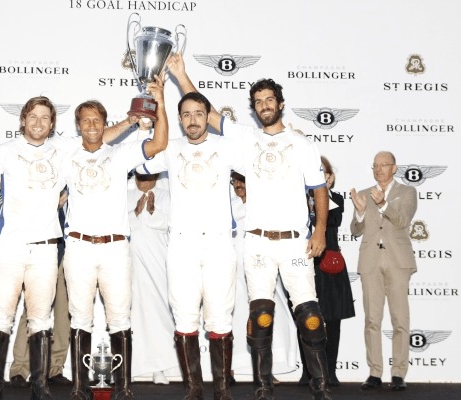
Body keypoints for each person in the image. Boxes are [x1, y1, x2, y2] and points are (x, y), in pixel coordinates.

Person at [167, 53, 332, 400]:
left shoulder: (303, 143)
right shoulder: (244, 138)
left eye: (269, 100)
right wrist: (181, 75)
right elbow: (206, 112)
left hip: (295, 242)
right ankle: (262, 386)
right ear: (254, 108)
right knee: (261, 316)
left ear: (281, 104)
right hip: (257, 242)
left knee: (310, 316)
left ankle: (320, 386)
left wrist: (319, 232)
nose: (264, 106)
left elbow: (319, 189)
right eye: (258, 102)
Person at [62, 76, 167, 400]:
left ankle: (123, 388)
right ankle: (80, 388)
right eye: (85, 121)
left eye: (97, 120)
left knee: (120, 318)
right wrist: (129, 122)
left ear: (105, 123)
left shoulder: (121, 154)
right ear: (78, 126)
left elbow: (158, 144)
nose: (92, 126)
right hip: (79, 247)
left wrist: (158, 105)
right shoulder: (66, 153)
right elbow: (92, 139)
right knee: (80, 318)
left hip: (115, 248)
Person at [0, 96, 70, 400]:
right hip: (9, 247)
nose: (38, 122)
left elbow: (98, 139)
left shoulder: (63, 154)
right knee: (1, 317)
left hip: (46, 249)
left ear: (52, 123)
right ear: (22, 120)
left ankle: (40, 387)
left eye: (45, 117)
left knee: (41, 320)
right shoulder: (4, 151)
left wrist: (132, 122)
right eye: (33, 116)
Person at [136, 91, 242, 400]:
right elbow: (142, 166)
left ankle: (221, 390)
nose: (192, 120)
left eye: (198, 113)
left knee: (220, 318)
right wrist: (145, 129)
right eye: (186, 114)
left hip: (219, 242)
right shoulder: (169, 147)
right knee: (184, 317)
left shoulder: (228, 147)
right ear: (179, 119)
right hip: (182, 244)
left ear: (208, 116)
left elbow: (261, 167)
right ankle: (194, 389)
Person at [350, 151, 417, 392]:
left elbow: (402, 221)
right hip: (370, 262)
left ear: (394, 168)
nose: (378, 169)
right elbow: (355, 230)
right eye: (375, 165)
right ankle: (374, 372)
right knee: (372, 319)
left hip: (398, 262)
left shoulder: (407, 192)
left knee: (400, 319)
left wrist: (383, 204)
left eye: (384, 164)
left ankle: (398, 373)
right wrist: (360, 212)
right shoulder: (364, 193)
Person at [229, 172, 296, 386]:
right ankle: (229, 369)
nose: (238, 185)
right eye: (234, 181)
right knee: (233, 319)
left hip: (260, 270)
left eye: (241, 180)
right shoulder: (227, 206)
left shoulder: (263, 205)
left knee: (265, 319)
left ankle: (264, 372)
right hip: (233, 272)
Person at [298, 156, 355, 387]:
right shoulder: (297, 199)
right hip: (304, 264)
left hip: (330, 266)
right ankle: (308, 372)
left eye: (323, 173)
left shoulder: (337, 199)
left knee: (332, 321)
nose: (318, 177)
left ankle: (330, 371)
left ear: (330, 177)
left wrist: (323, 193)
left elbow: (332, 221)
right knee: (305, 319)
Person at [9, 190, 72, 388]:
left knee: (64, 314)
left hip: (72, 253)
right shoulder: (42, 180)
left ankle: (55, 368)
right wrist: (52, 206)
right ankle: (20, 369)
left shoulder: (78, 181)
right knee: (32, 310)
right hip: (43, 251)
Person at [128, 171, 176, 385]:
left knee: (157, 315)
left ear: (156, 177)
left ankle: (158, 368)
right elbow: (119, 225)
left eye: (148, 177)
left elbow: (171, 224)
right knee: (129, 316)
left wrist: (152, 211)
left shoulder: (167, 196)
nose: (144, 181)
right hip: (131, 266)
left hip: (158, 264)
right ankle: (128, 368)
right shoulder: (125, 195)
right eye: (140, 177)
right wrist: (136, 212)